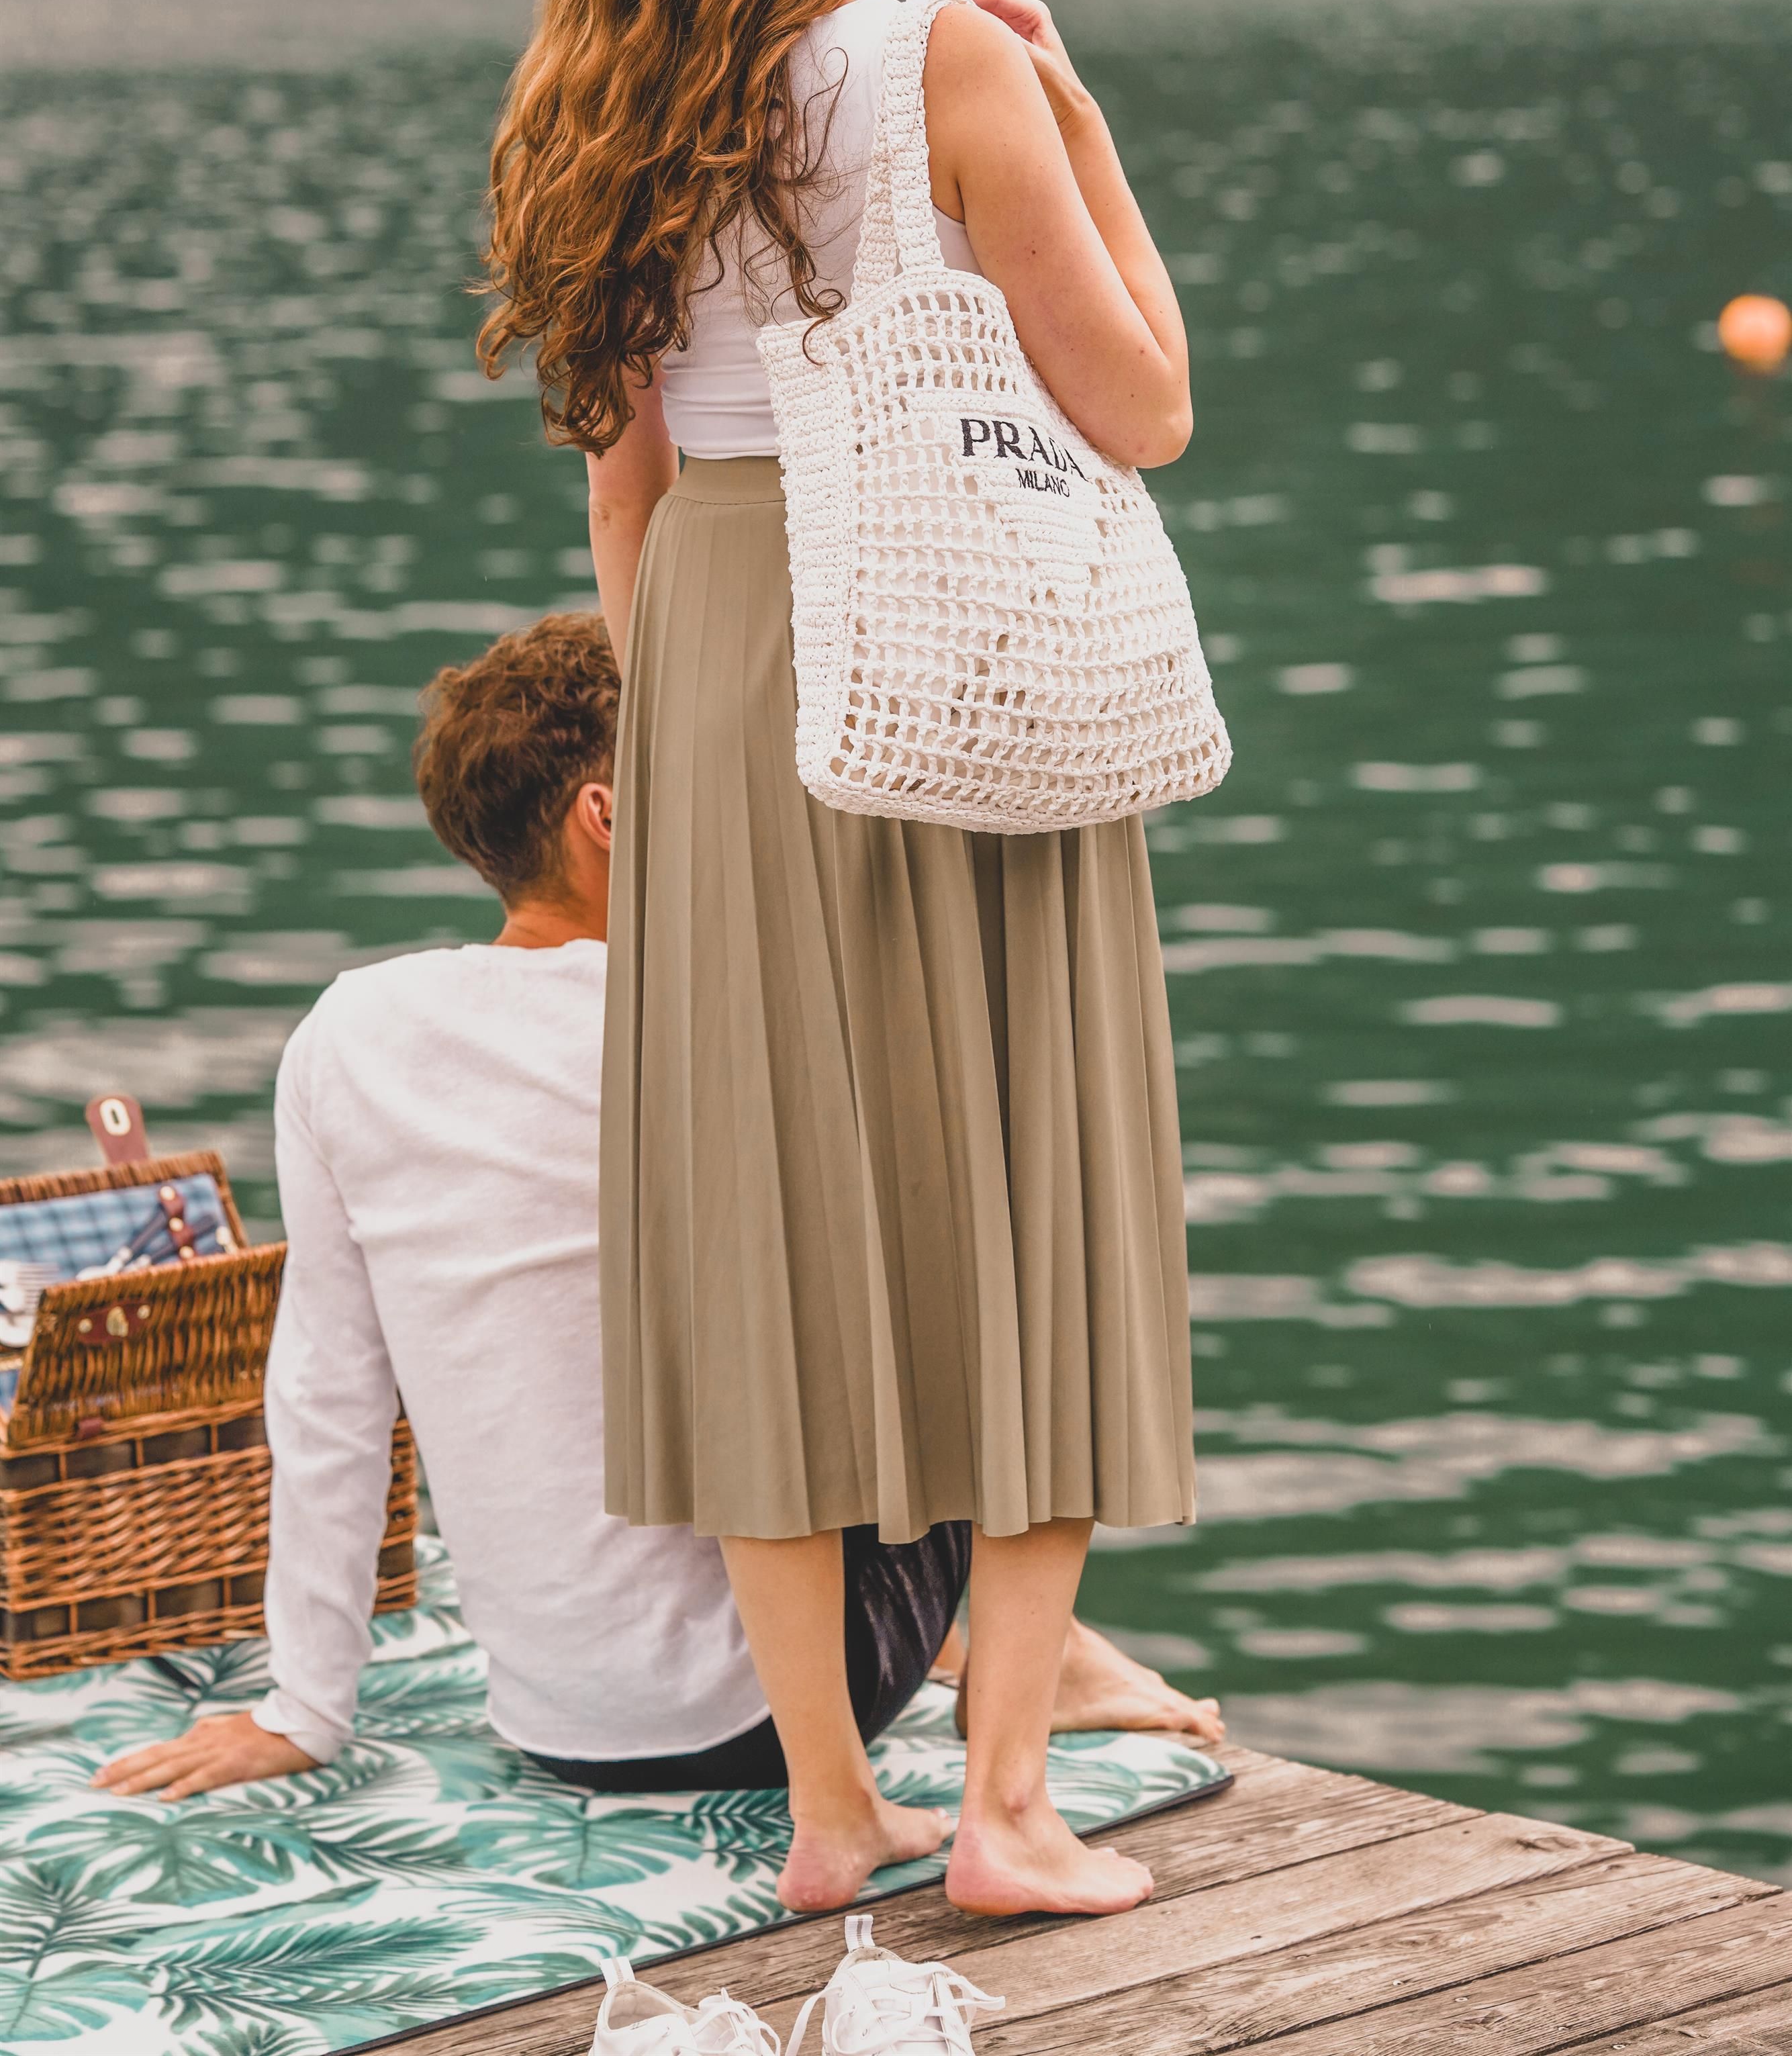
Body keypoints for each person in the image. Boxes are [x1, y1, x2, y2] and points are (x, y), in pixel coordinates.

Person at [480, 0, 1215, 1920]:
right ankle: (1003, 1810)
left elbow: (624, 495)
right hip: (946, 640)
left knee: (768, 1228)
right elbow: (1145, 406)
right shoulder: (947, 68)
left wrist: (690, 742)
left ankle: (829, 1812)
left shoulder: (600, 106)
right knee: (1030, 1194)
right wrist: (1083, 129)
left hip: (714, 652)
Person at [94, 616, 1218, 1807]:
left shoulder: (348, 1036)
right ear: (608, 814)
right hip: (795, 1702)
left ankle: (1013, 1649)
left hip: (557, 1717)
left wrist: (303, 1710)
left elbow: (328, 1391)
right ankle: (1044, 1660)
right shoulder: (711, 1018)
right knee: (995, 1248)